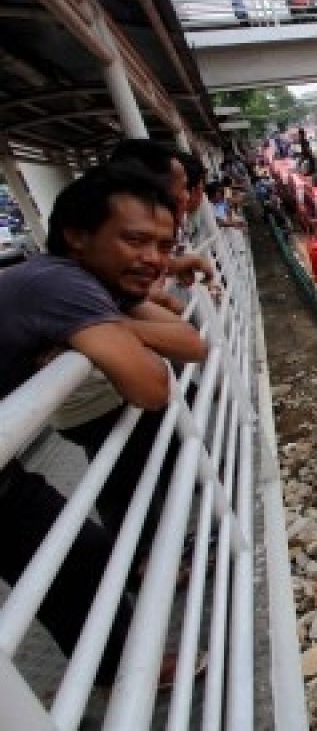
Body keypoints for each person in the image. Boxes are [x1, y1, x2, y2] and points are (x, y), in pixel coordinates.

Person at [0, 161, 206, 688]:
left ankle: (114, 669)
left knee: (83, 552)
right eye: (135, 240)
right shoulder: (60, 284)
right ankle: (121, 675)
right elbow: (151, 387)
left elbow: (193, 345)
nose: (154, 259)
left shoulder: (92, 286)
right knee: (79, 552)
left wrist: (108, 326)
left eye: (163, 244)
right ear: (77, 236)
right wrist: (105, 330)